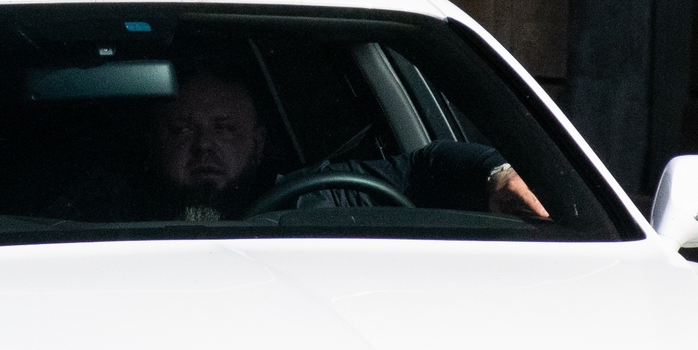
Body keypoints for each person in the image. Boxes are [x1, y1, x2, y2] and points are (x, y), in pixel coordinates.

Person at [62, 66, 550, 224]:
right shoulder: (100, 213)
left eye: (224, 129)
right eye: (183, 130)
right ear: (152, 142)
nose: (205, 146)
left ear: (257, 143)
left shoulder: (313, 196)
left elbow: (427, 166)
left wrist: (498, 176)